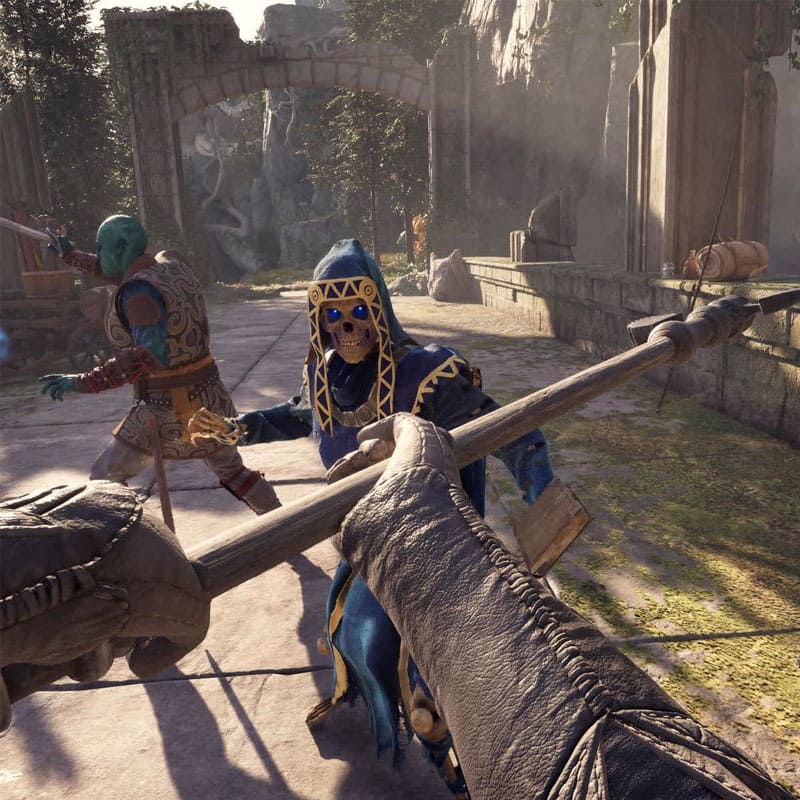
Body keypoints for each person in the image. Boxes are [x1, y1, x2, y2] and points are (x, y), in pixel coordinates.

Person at [194, 239, 553, 795]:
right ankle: (390, 716)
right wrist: (238, 429)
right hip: (365, 533)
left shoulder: (426, 373)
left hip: (431, 537)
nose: (346, 328)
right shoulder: (325, 375)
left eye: (358, 310)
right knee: (354, 635)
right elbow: (296, 416)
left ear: (378, 309)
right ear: (318, 319)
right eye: (332, 315)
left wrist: (541, 488)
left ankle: (464, 769)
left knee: (432, 670)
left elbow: (498, 426)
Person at [331, 413, 793, 800]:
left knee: (437, 719)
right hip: (424, 579)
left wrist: (532, 500)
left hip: (455, 591)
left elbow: (521, 439)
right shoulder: (330, 372)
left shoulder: (437, 371)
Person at [39, 215, 279, 514]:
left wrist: (82, 382)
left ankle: (133, 538)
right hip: (210, 396)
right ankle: (283, 522)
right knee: (233, 472)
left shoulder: (139, 295)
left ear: (122, 248)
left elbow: (147, 358)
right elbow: (117, 270)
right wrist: (71, 255)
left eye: (101, 248)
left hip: (166, 408)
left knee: (105, 478)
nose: (99, 254)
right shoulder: (171, 265)